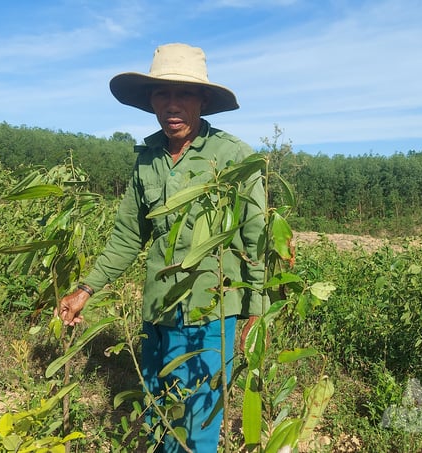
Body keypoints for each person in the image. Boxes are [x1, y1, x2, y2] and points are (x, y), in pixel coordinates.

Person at [57, 43, 266, 452]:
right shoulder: (147, 158)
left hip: (212, 311)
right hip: (157, 311)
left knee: (200, 420)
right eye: (162, 94)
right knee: (159, 413)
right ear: (150, 100)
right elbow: (127, 236)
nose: (172, 105)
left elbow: (255, 237)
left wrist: (256, 312)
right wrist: (85, 289)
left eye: (184, 93)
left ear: (202, 100)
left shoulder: (234, 156)